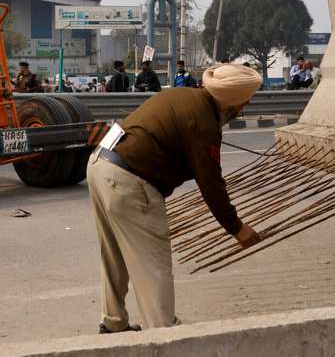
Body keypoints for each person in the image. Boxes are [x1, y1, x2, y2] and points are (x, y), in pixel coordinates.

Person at [88, 63, 263, 332]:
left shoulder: (182, 95)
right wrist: (237, 228)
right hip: (129, 179)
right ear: (232, 105)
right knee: (153, 265)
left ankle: (113, 323)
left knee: (114, 253)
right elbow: (211, 185)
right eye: (244, 105)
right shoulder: (204, 122)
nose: (243, 109)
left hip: (100, 163)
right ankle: (164, 335)